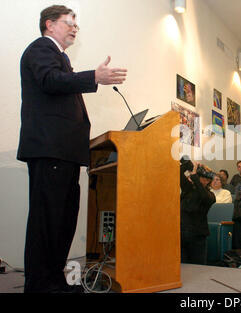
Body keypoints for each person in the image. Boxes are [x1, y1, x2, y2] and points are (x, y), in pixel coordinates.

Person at [17, 5, 127, 293]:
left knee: (62, 221)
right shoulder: (42, 48)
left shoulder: (60, 57)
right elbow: (50, 82)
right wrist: (94, 77)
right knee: (48, 221)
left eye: (76, 24)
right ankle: (41, 286)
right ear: (49, 25)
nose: (75, 28)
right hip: (50, 150)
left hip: (64, 153)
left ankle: (54, 282)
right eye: (69, 23)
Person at [180, 159, 216, 265]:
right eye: (202, 178)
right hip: (182, 233)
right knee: (182, 266)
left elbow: (203, 195)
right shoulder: (188, 189)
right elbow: (179, 174)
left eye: (207, 179)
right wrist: (188, 164)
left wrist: (195, 177)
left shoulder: (210, 196)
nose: (204, 181)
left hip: (197, 236)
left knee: (198, 266)